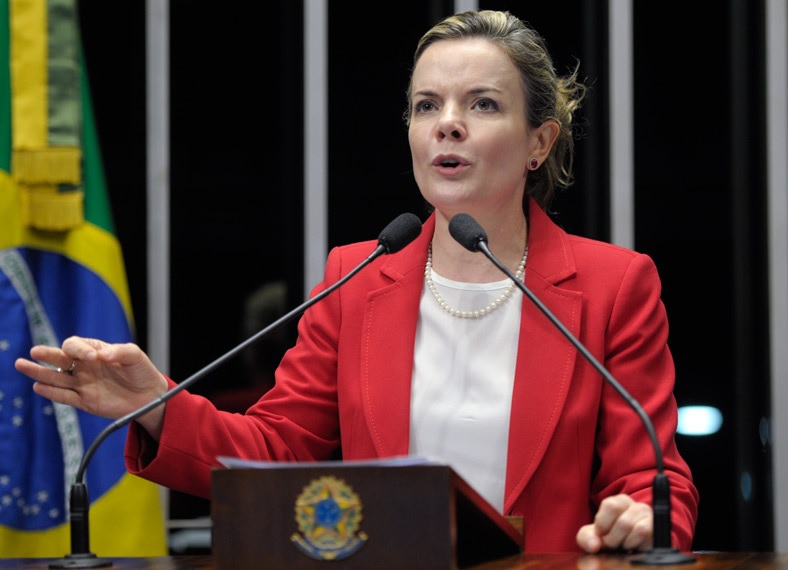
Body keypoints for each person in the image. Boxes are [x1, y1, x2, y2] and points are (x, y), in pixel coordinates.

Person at [15, 10, 698, 554]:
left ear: (539, 143)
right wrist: (156, 405)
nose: (447, 124)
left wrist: (643, 515)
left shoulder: (613, 285)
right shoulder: (357, 275)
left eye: (483, 104)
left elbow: (653, 478)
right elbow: (280, 452)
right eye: (426, 105)